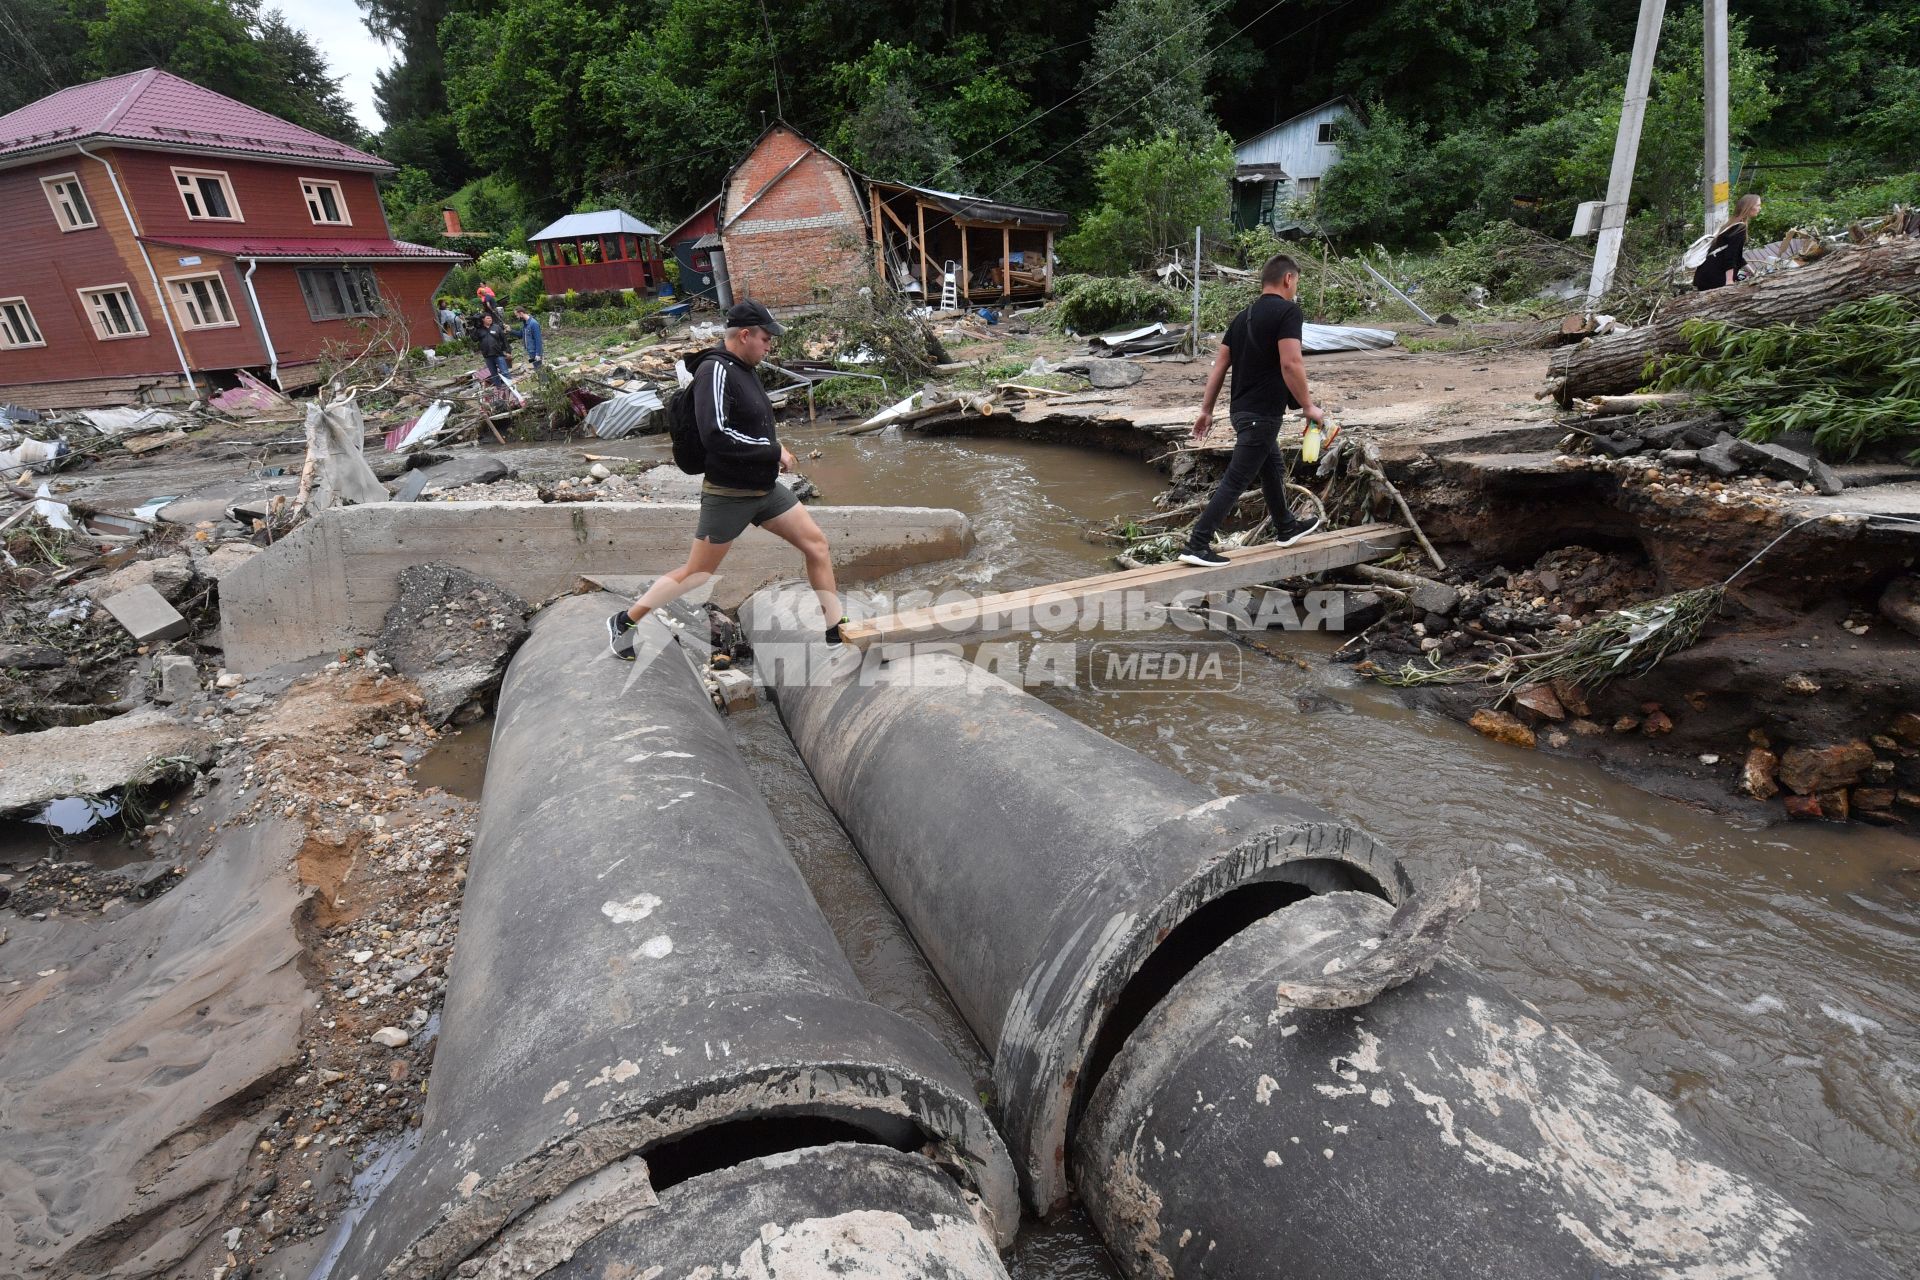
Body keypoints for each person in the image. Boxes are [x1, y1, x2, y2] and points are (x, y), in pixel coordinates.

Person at [607, 300, 846, 659]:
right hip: (730, 493)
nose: (769, 346)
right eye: (766, 339)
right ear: (745, 335)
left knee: (817, 545)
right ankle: (625, 620)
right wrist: (773, 450)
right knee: (697, 574)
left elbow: (748, 426)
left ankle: (834, 628)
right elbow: (716, 433)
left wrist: (768, 453)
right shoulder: (714, 370)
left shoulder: (745, 369)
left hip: (764, 489)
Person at [1178, 253, 1326, 568]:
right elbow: (1291, 362)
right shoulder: (1288, 312)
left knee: (1272, 468)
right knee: (1237, 479)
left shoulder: (1242, 317)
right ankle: (1197, 543)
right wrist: (1308, 406)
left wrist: (1206, 410)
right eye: (1296, 281)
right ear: (1288, 279)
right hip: (1262, 414)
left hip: (1242, 412)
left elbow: (1220, 364)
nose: (1295, 286)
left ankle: (1286, 527)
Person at [1693, 194, 1761, 291]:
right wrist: (1729, 281)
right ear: (1749, 207)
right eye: (1758, 205)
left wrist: (1753, 272)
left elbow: (1737, 257)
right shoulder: (1739, 228)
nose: (1759, 208)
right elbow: (1730, 255)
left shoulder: (1732, 223)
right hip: (1714, 277)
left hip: (1705, 274)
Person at [476, 312, 510, 385]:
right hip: (488, 356)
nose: (490, 319)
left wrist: (508, 351)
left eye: (490, 318)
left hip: (498, 354)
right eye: (488, 318)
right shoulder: (479, 330)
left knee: (505, 372)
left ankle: (511, 388)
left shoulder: (496, 327)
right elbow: (474, 339)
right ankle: (499, 389)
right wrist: (473, 328)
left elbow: (504, 340)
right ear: (483, 320)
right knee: (494, 375)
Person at [515, 306, 543, 371]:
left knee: (540, 370)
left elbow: (538, 340)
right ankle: (542, 380)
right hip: (530, 351)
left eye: (517, 315)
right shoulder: (525, 324)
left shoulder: (533, 323)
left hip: (534, 352)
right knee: (537, 369)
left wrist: (538, 354)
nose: (517, 317)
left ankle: (545, 381)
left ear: (521, 313)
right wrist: (510, 330)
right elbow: (521, 334)